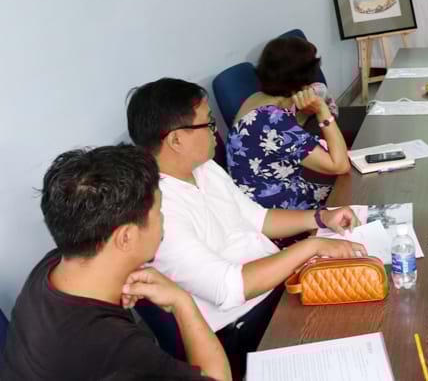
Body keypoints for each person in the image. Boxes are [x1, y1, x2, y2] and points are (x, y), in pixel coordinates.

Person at [126, 78, 365, 376]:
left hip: (279, 287)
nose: (215, 132)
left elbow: (258, 219)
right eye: (208, 124)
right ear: (176, 140)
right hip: (246, 325)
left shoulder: (204, 168)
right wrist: (312, 246)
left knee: (372, 283)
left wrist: (320, 218)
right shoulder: (158, 211)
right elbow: (229, 289)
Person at [2, 146, 230, 381]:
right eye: (159, 212)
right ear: (126, 237)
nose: (163, 219)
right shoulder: (117, 350)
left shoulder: (52, 265)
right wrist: (182, 303)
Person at [227, 35, 349, 210]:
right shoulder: (273, 121)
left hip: (265, 195)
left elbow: (286, 142)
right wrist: (322, 110)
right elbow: (340, 165)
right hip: (278, 207)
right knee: (354, 192)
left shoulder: (256, 99)